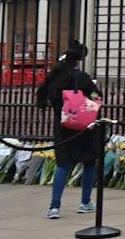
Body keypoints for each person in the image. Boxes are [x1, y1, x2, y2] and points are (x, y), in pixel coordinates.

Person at [35, 43, 101, 219]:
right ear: (77, 62)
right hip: (83, 128)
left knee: (63, 165)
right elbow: (96, 97)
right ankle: (85, 202)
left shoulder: (55, 80)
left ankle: (54, 206)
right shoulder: (82, 77)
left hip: (62, 128)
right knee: (89, 163)